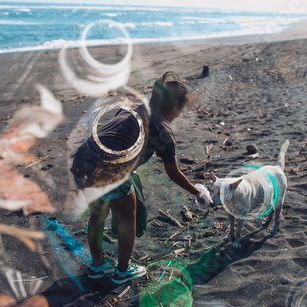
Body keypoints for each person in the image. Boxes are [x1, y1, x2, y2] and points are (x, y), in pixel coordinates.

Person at [71, 71, 212, 284]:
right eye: (181, 109)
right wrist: (198, 192)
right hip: (110, 169)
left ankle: (97, 266)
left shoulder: (131, 107)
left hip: (84, 160)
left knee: (97, 214)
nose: (180, 115)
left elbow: (118, 136)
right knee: (129, 218)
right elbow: (173, 173)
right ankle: (122, 272)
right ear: (174, 105)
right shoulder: (163, 129)